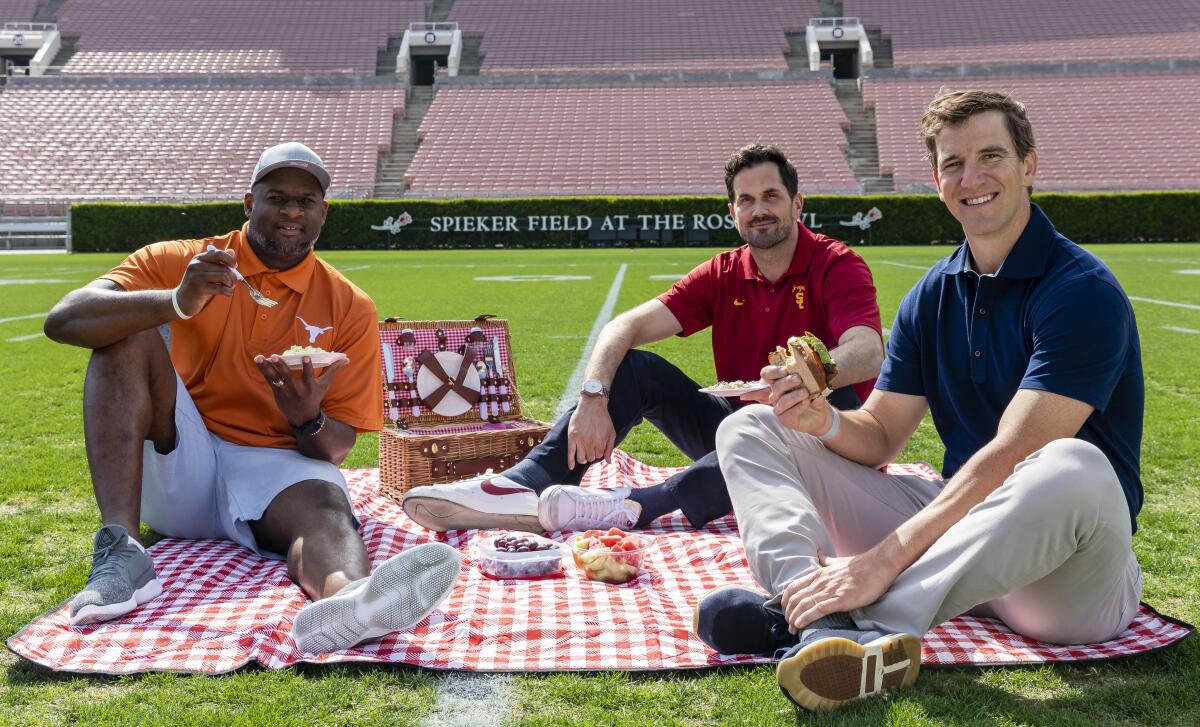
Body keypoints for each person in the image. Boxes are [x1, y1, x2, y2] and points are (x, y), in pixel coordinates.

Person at [700, 91, 1145, 711]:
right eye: (952, 163)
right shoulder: (932, 294)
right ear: (937, 181)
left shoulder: (1081, 289)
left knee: (1073, 463)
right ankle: (811, 611)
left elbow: (1015, 452)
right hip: (957, 543)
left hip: (1066, 578)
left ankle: (865, 617)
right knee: (750, 426)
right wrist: (821, 420)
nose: (972, 177)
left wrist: (882, 561)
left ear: (1029, 165)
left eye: (991, 155)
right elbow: (881, 436)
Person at [43, 142, 461, 654]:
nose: (291, 211)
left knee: (326, 508)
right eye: (276, 197)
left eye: (306, 200)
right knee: (127, 330)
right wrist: (175, 302)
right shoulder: (183, 261)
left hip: (275, 466)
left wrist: (306, 418)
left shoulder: (349, 305)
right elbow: (64, 319)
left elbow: (336, 451)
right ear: (248, 203)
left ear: (322, 212)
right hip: (179, 460)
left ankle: (349, 602)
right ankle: (122, 550)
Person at [402, 143, 885, 534]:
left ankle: (636, 505)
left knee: (776, 416)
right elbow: (623, 327)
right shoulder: (724, 272)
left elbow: (867, 350)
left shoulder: (836, 264)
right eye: (746, 200)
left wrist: (799, 380)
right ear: (732, 211)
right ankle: (522, 486)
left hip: (823, 445)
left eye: (771, 196)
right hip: (736, 434)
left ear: (797, 203)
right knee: (636, 369)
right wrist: (593, 399)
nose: (759, 210)